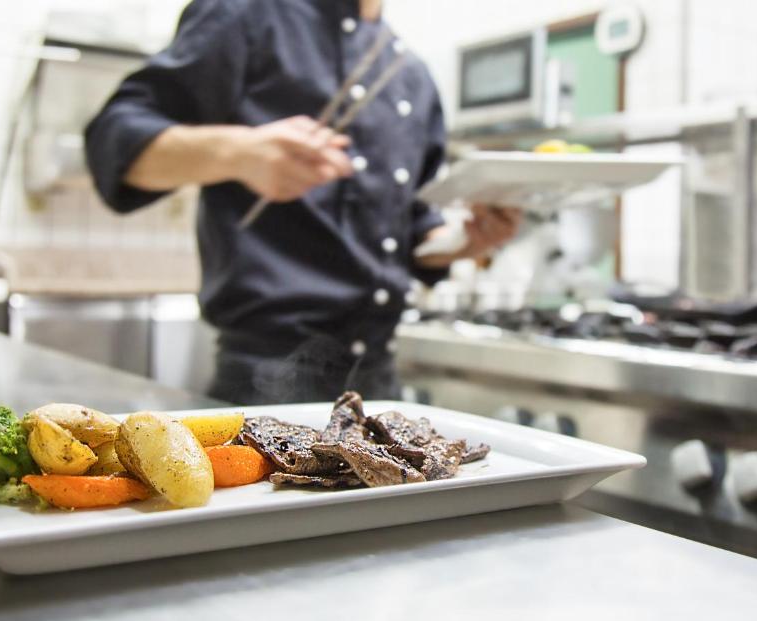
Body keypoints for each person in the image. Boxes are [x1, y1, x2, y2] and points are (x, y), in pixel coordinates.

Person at [85, 0, 519, 404]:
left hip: (380, 383)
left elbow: (414, 229)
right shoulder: (247, 13)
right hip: (270, 379)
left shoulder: (410, 72)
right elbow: (114, 139)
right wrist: (238, 153)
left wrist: (466, 240)